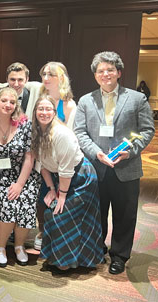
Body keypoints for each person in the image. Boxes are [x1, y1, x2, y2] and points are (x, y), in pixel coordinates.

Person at [74, 51, 155, 274]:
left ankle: (119, 256)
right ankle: (97, 248)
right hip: (96, 168)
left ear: (119, 73)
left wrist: (131, 152)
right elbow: (80, 132)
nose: (105, 74)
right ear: (95, 76)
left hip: (126, 168)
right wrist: (96, 153)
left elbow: (148, 130)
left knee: (125, 214)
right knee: (95, 213)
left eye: (110, 70)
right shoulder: (86, 101)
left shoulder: (137, 99)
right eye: (101, 71)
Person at [31, 96, 104, 271]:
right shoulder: (35, 133)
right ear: (35, 112)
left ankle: (73, 261)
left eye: (48, 109)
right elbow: (41, 165)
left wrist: (61, 195)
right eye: (40, 109)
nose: (44, 112)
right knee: (51, 213)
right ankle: (59, 257)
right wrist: (51, 188)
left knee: (62, 214)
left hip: (80, 177)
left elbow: (65, 169)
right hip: (61, 179)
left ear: (54, 113)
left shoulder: (61, 134)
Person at [0, 88, 41, 267]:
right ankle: (0, 246)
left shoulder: (25, 125)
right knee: (9, 206)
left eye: (12, 102)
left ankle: (19, 246)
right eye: (4, 101)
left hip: (25, 174)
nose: (8, 105)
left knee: (26, 205)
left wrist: (19, 184)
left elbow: (29, 157)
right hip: (1, 176)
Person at [35, 61, 76, 251]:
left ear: (61, 77)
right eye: (43, 74)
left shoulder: (69, 105)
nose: (45, 78)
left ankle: (60, 239)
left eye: (50, 75)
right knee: (43, 198)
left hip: (62, 163)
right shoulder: (39, 98)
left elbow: (71, 137)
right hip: (42, 163)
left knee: (62, 202)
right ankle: (42, 232)